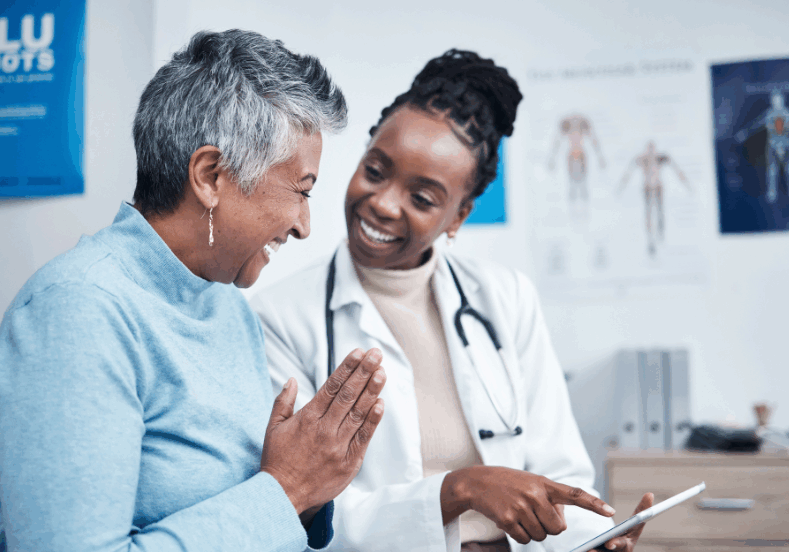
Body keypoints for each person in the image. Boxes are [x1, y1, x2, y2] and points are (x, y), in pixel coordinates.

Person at [0, 30, 388, 552]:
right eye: (301, 192)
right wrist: (287, 489)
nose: (304, 225)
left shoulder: (225, 304)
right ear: (211, 176)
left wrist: (310, 479)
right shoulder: (77, 313)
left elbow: (246, 505)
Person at [249, 50, 654, 552]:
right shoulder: (279, 318)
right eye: (376, 170)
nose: (383, 202)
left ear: (458, 217)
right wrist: (458, 491)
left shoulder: (505, 298)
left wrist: (593, 538)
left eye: (422, 198)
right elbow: (303, 512)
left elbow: (559, 473)